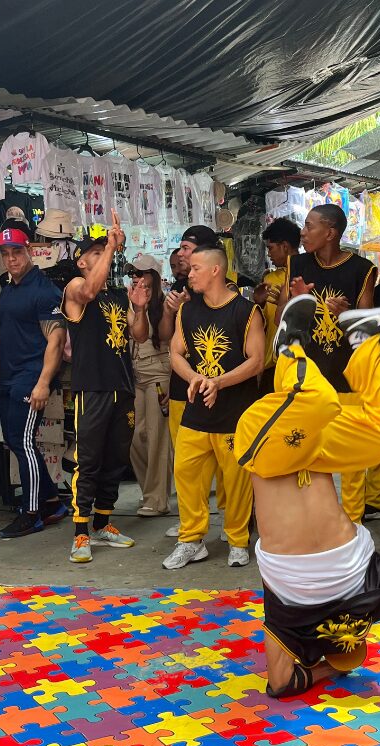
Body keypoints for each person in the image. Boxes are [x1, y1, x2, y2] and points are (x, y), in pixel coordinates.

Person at [233, 296, 380, 702]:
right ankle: (363, 339)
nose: (348, 636)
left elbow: (280, 684)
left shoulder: (293, 617)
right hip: (317, 449)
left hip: (264, 451)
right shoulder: (369, 590)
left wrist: (321, 668)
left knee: (316, 399)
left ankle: (289, 347)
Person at [163, 243, 264, 570]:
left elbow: (257, 361)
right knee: (186, 474)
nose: (188, 274)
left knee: (236, 482)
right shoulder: (188, 311)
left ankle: (237, 540)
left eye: (194, 268)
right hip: (196, 414)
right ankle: (191, 540)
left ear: (215, 270)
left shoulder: (247, 311)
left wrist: (218, 382)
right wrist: (194, 377)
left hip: (236, 415)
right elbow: (175, 352)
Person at [275, 204, 377, 524]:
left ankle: (352, 527)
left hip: (347, 381)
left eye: (309, 226)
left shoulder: (362, 269)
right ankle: (313, 522)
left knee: (349, 460)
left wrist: (344, 316)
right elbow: (281, 323)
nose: (302, 233)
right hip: (307, 382)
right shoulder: (297, 264)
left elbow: (369, 334)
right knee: (305, 454)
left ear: (330, 232)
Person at [62, 210, 149, 564]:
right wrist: (112, 246)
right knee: (90, 459)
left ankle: (103, 523)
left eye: (106, 249)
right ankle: (81, 532)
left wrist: (140, 309)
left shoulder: (116, 294)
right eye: (96, 252)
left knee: (116, 458)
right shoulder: (74, 287)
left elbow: (139, 335)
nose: (105, 254)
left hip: (122, 386)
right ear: (82, 260)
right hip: (94, 387)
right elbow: (91, 288)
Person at [0, 226, 68, 538]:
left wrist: (43, 382)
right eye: (6, 254)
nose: (11, 259)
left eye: (16, 252)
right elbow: (3, 336)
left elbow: (56, 341)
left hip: (30, 377)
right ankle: (51, 502)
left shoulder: (44, 290)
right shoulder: (6, 288)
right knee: (15, 440)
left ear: (29, 251)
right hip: (7, 377)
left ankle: (31, 513)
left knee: (23, 442)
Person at [160, 226, 226, 539]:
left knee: (228, 464)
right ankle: (192, 522)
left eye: (187, 248)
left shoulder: (230, 291)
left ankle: (232, 520)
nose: (183, 255)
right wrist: (169, 310)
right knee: (187, 463)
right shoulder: (179, 293)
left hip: (225, 391)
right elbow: (167, 342)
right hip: (183, 387)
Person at [128, 254, 172, 517]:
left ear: (154, 277)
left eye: (142, 273)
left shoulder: (164, 304)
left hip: (158, 374)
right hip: (134, 376)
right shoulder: (129, 302)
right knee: (135, 437)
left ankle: (157, 499)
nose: (137, 277)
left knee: (156, 438)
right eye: (134, 272)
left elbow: (167, 339)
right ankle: (150, 492)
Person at [255, 217, 301, 395]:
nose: (269, 254)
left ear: (285, 246)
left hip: (298, 361)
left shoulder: (307, 275)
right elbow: (262, 325)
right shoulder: (269, 279)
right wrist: (258, 303)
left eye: (270, 248)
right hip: (270, 363)